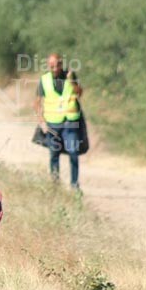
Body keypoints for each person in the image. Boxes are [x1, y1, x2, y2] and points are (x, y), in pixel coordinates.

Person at [34, 54, 83, 190]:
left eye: (57, 65)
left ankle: (74, 185)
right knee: (54, 154)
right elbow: (37, 103)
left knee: (73, 152)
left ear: (61, 64)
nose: (55, 69)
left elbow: (79, 93)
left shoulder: (70, 76)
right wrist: (41, 121)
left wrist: (72, 81)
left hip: (70, 121)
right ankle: (55, 185)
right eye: (51, 66)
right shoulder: (44, 80)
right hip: (52, 123)